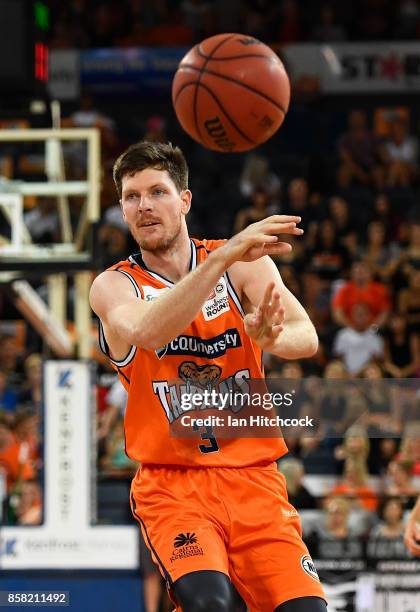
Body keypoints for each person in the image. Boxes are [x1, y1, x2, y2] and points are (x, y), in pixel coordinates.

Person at [90, 141, 326, 611]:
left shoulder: (246, 264)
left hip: (255, 479)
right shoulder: (114, 285)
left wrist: (271, 338)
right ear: (121, 208)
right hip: (173, 485)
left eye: (157, 192)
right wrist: (221, 258)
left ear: (185, 200)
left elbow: (307, 336)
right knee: (208, 605)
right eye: (132, 197)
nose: (145, 206)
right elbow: (149, 331)